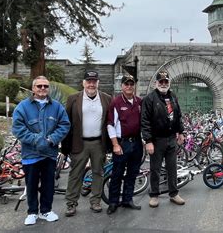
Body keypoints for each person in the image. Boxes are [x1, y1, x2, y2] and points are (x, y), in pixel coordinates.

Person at [12, 76, 70, 226]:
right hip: (30, 154)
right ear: (33, 89)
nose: (43, 89)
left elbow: (64, 125)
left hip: (49, 154)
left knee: (48, 184)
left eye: (45, 86)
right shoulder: (23, 107)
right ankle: (32, 212)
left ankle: (46, 211)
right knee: (31, 185)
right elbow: (18, 128)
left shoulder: (57, 107)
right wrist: (37, 140)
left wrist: (51, 139)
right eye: (39, 86)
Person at [62, 70, 112, 216]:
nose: (91, 84)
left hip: (98, 143)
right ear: (83, 83)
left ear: (98, 83)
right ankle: (71, 203)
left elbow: (110, 122)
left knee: (98, 173)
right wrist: (65, 146)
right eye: (88, 81)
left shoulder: (107, 98)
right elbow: (67, 123)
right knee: (75, 174)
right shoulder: (73, 99)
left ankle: (95, 201)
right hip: (79, 143)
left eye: (94, 81)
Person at [141, 70, 185, 208]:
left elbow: (178, 116)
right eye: (161, 81)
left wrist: (181, 132)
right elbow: (145, 121)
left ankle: (174, 193)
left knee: (172, 168)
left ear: (169, 83)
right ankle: (154, 195)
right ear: (156, 83)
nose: (164, 84)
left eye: (166, 81)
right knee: (155, 169)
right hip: (156, 140)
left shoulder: (173, 97)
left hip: (171, 138)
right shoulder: (149, 99)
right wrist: (148, 141)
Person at [106, 74, 144, 214]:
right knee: (117, 174)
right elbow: (110, 125)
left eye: (131, 84)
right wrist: (115, 144)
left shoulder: (139, 102)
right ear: (121, 86)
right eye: (126, 84)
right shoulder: (116, 102)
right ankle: (113, 202)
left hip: (137, 143)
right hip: (122, 143)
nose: (129, 86)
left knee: (133, 173)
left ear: (134, 86)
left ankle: (128, 199)